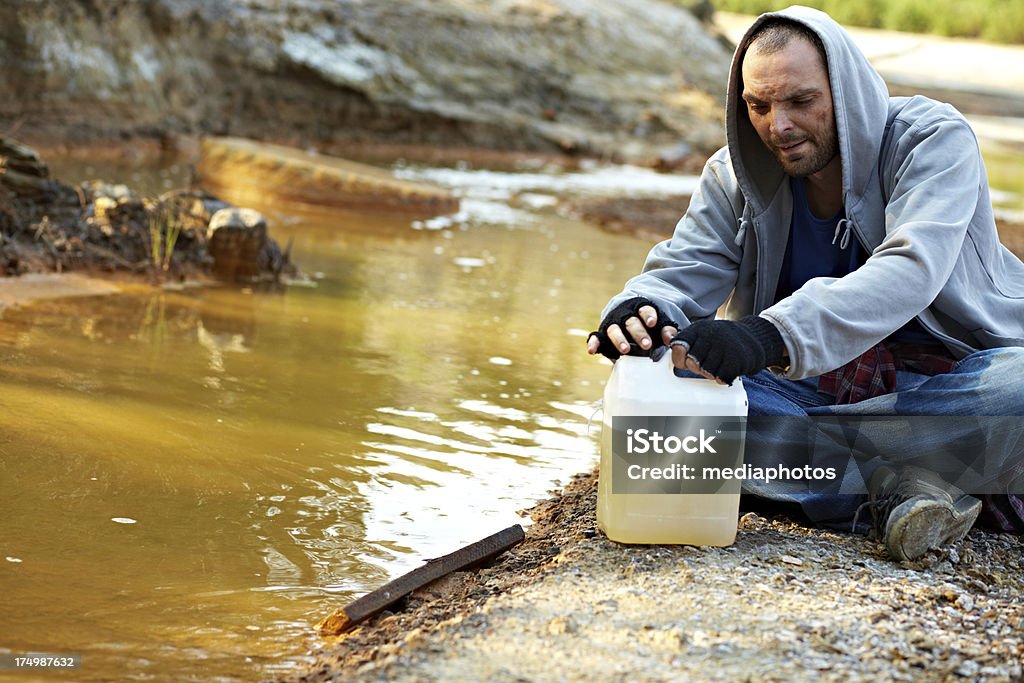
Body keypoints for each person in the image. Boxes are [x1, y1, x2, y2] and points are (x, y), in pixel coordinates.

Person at [587, 5, 1024, 561]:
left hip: (952, 377)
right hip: (808, 389)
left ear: (845, 89)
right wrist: (639, 309)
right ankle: (900, 484)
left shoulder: (931, 141)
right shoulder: (732, 175)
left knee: (1020, 387)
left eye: (801, 101)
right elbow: (680, 271)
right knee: (660, 387)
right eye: (759, 106)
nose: (779, 126)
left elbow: (911, 268)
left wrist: (769, 335)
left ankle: (834, 480)